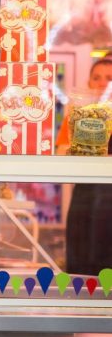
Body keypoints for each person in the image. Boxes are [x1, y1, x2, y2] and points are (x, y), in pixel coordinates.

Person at [58, 57, 112, 275]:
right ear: (89, 82)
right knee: (82, 264)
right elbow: (61, 151)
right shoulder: (78, 115)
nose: (102, 83)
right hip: (85, 200)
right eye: (96, 78)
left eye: (109, 78)